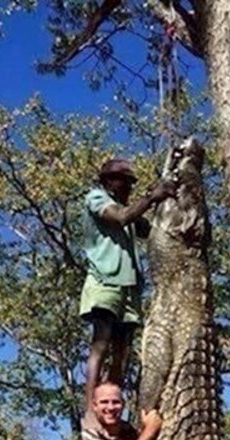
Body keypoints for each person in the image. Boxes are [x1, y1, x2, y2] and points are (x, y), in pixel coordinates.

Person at [80, 157, 175, 404]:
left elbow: (152, 229)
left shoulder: (130, 213)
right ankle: (90, 405)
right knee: (101, 342)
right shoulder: (97, 199)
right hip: (105, 281)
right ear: (110, 182)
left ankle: (112, 404)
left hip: (129, 286)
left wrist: (162, 200)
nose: (129, 187)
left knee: (122, 351)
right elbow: (120, 217)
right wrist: (151, 197)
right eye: (125, 182)